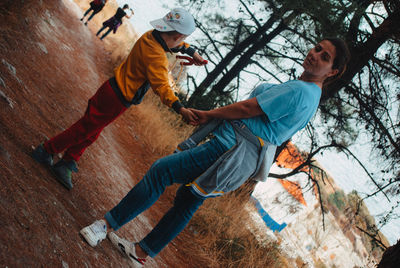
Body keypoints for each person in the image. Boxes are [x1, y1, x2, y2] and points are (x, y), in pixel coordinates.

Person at [78, 38, 350, 266]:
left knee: (161, 172)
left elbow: (247, 109)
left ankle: (104, 226)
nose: (314, 55)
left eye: (324, 57)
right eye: (316, 48)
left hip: (229, 147)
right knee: (188, 200)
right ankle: (142, 253)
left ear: (332, 71)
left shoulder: (301, 91)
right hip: (242, 156)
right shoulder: (312, 97)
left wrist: (208, 114)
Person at [32, 8, 206, 190]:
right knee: (84, 130)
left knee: (92, 131)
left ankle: (67, 161)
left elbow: (174, 44)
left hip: (112, 91)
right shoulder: (157, 58)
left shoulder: (151, 36)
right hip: (116, 99)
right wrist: (181, 109)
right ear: (178, 35)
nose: (183, 42)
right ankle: (46, 150)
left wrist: (191, 51)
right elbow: (162, 87)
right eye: (184, 39)